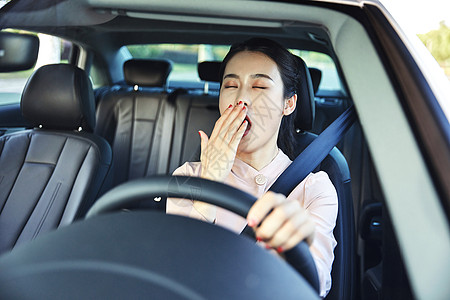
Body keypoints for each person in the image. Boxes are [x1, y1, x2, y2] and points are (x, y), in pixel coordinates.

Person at [167, 38, 337, 298]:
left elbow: (317, 285)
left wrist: (292, 249)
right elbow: (174, 272)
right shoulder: (188, 177)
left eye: (259, 86)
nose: (241, 99)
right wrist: (209, 182)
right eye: (231, 85)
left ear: (288, 104)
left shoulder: (314, 189)